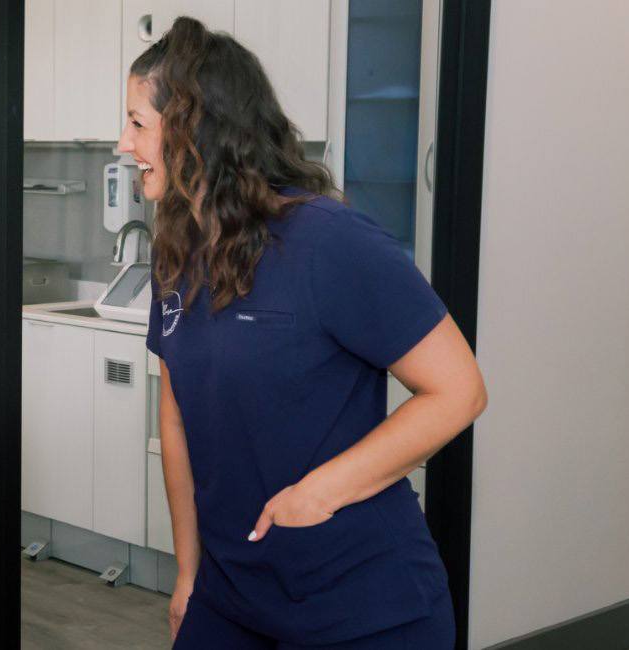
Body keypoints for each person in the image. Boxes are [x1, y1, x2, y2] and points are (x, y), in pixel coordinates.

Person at [118, 18, 487, 649]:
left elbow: (459, 391)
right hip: (232, 597)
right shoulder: (177, 252)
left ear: (198, 130)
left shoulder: (327, 241)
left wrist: (318, 494)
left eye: (137, 124)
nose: (123, 144)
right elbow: (176, 416)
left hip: (363, 605)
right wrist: (188, 573)